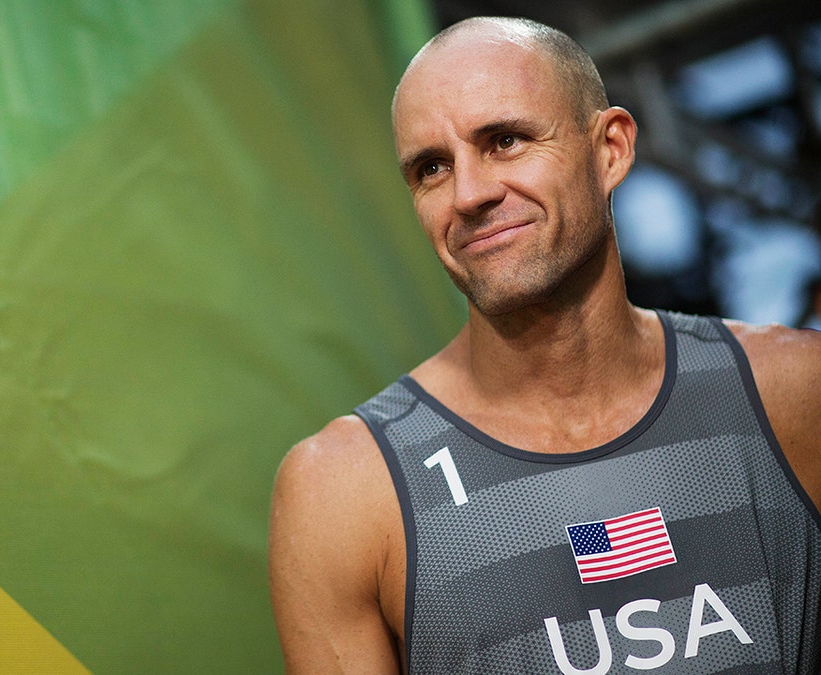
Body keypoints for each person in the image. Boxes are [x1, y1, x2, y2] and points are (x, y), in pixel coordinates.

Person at [268, 16, 821, 674]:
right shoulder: (344, 491)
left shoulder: (795, 392)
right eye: (432, 168)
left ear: (610, 149)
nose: (469, 193)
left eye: (504, 140)